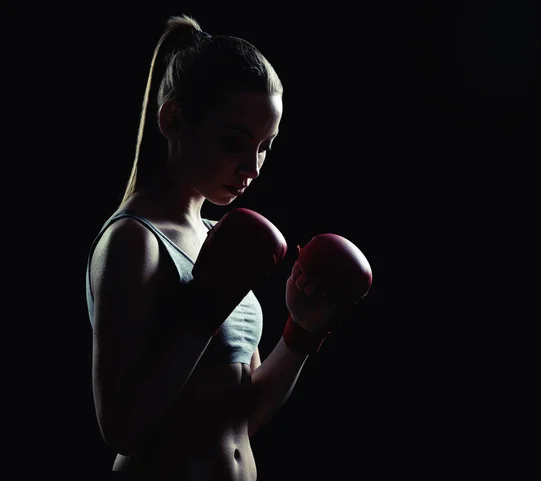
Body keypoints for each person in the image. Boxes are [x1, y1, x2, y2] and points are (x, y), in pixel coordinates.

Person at [85, 13, 371, 481]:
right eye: (235, 142)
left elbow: (241, 416)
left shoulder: (222, 236)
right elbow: (121, 428)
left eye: (265, 147)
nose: (252, 167)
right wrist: (204, 306)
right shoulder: (133, 241)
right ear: (174, 118)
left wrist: (301, 333)